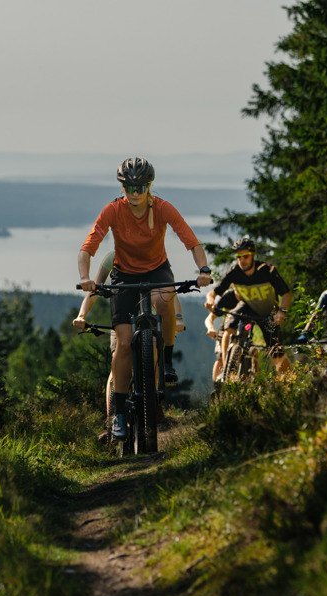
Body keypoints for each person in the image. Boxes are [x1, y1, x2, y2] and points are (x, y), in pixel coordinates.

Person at [78, 157, 211, 441]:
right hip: (123, 276)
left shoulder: (162, 208)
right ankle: (119, 415)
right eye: (129, 187)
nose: (135, 192)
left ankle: (166, 358)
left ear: (149, 186)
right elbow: (88, 248)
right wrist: (86, 276)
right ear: (123, 187)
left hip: (157, 271)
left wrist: (204, 270)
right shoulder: (113, 210)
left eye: (140, 186)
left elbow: (191, 241)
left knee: (164, 301)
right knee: (123, 345)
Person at [73, 250, 186, 443]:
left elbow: (169, 293)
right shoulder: (112, 258)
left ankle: (153, 398)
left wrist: (177, 318)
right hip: (122, 320)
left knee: (154, 347)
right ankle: (112, 419)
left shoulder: (153, 252)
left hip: (146, 319)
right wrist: (82, 315)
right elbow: (95, 289)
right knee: (119, 358)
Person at [202, 237, 293, 377]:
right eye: (239, 257)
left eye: (246, 256)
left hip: (268, 311)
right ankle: (228, 372)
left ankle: (290, 379)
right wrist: (210, 300)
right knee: (228, 329)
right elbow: (213, 292)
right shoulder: (234, 272)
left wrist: (281, 311)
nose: (242, 260)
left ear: (253, 255)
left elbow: (286, 294)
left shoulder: (267, 271)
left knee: (277, 354)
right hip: (247, 307)